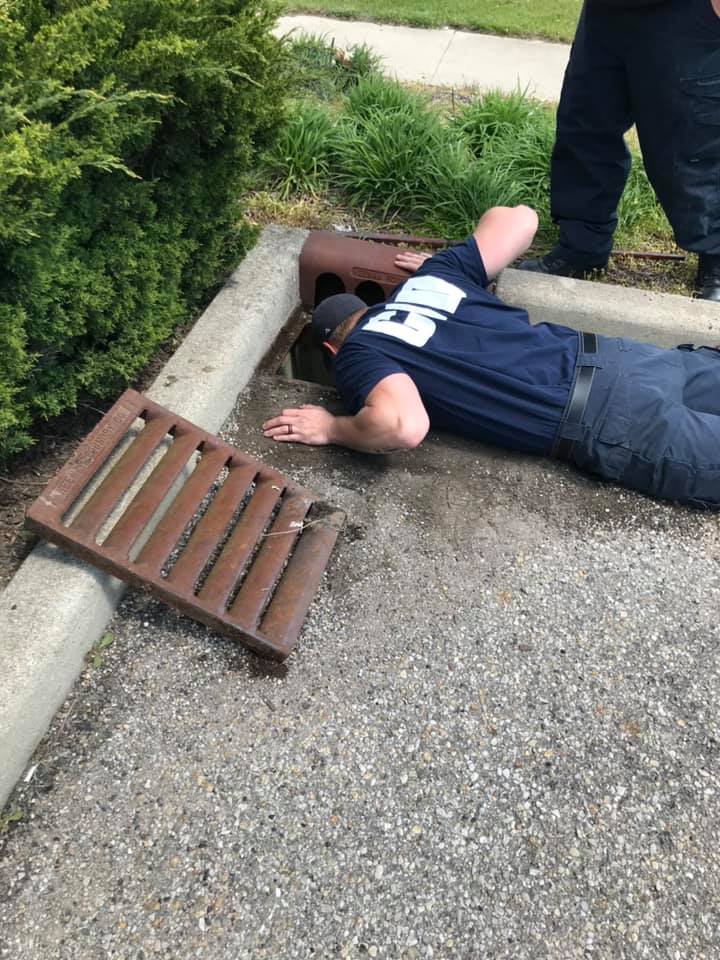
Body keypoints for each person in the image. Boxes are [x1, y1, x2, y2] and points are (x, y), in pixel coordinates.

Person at [262, 205, 720, 508]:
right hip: (629, 358)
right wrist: (450, 264)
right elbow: (523, 218)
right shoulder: (437, 277)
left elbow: (402, 425)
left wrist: (332, 427)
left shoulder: (358, 354)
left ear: (330, 347)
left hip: (614, 423)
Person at [518, 0, 720, 301]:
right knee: (585, 128)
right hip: (606, 11)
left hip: (685, 13)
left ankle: (716, 258)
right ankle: (582, 246)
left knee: (693, 142)